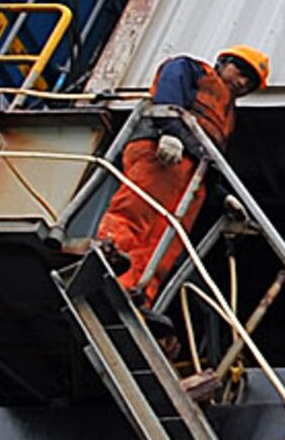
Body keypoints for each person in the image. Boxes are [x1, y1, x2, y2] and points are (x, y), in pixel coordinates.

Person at [97, 44, 268, 299]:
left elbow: (210, 156)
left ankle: (138, 292)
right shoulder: (191, 69)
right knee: (137, 212)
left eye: (250, 82)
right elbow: (168, 95)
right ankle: (104, 262)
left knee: (167, 240)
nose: (243, 82)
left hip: (192, 177)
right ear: (223, 62)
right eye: (241, 71)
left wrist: (221, 195)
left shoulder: (228, 115)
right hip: (162, 154)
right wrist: (169, 131)